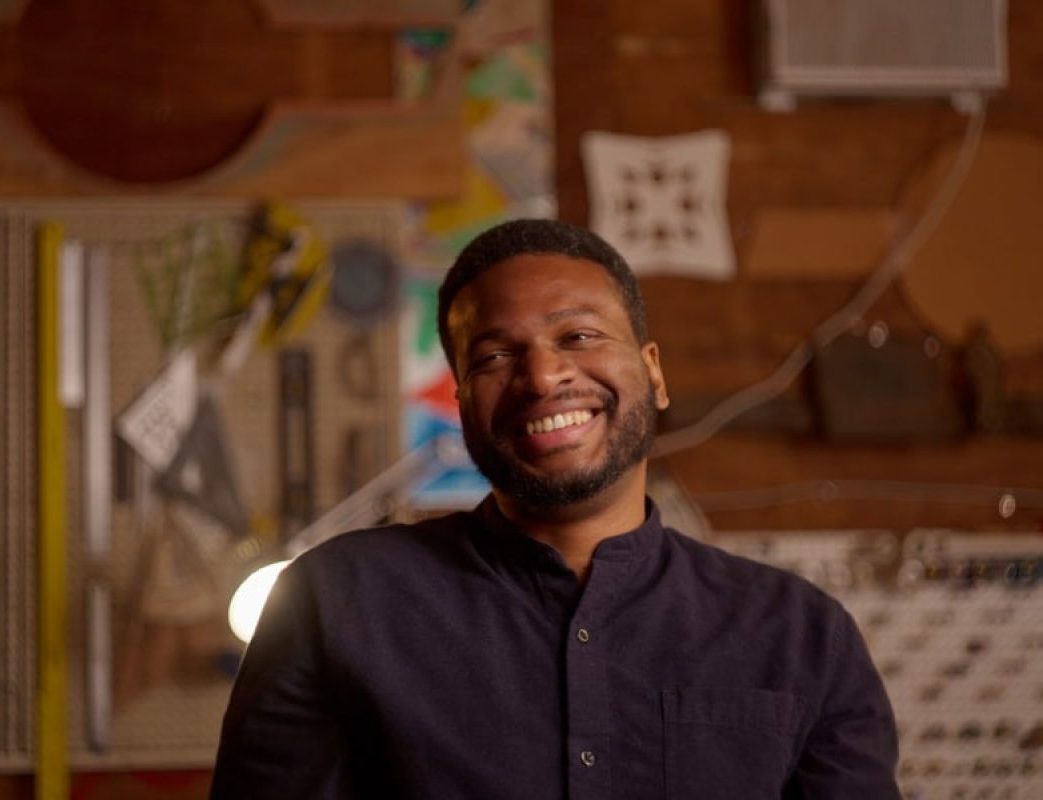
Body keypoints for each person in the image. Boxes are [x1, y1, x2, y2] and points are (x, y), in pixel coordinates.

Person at [210, 218, 900, 799]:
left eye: (578, 336)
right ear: (462, 402)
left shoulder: (803, 637)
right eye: (495, 355)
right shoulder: (333, 602)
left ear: (653, 372)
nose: (542, 376)